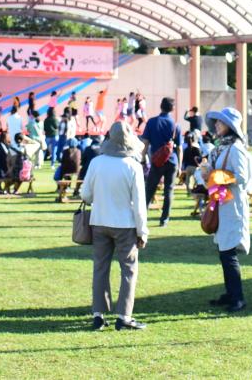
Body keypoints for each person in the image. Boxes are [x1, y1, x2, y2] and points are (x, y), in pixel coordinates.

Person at [80, 121, 149, 331]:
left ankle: (98, 314)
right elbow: (139, 205)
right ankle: (124, 316)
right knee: (128, 270)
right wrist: (142, 231)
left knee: (100, 268)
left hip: (99, 221)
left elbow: (85, 195)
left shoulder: (97, 162)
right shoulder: (133, 166)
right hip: (125, 225)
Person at [204, 106, 252, 312]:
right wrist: (207, 173)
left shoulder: (235, 148)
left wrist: (217, 176)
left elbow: (242, 177)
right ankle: (230, 293)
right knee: (224, 251)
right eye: (216, 121)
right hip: (222, 203)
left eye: (220, 122)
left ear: (230, 126)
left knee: (228, 253)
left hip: (232, 205)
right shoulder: (222, 148)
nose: (216, 124)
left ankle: (237, 297)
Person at [140, 96, 179, 227]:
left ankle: (142, 216)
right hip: (172, 161)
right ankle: (164, 220)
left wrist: (142, 158)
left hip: (157, 161)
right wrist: (179, 166)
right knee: (169, 190)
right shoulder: (175, 125)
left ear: (160, 106)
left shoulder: (151, 122)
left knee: (149, 189)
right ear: (172, 108)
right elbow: (179, 148)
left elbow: (145, 142)